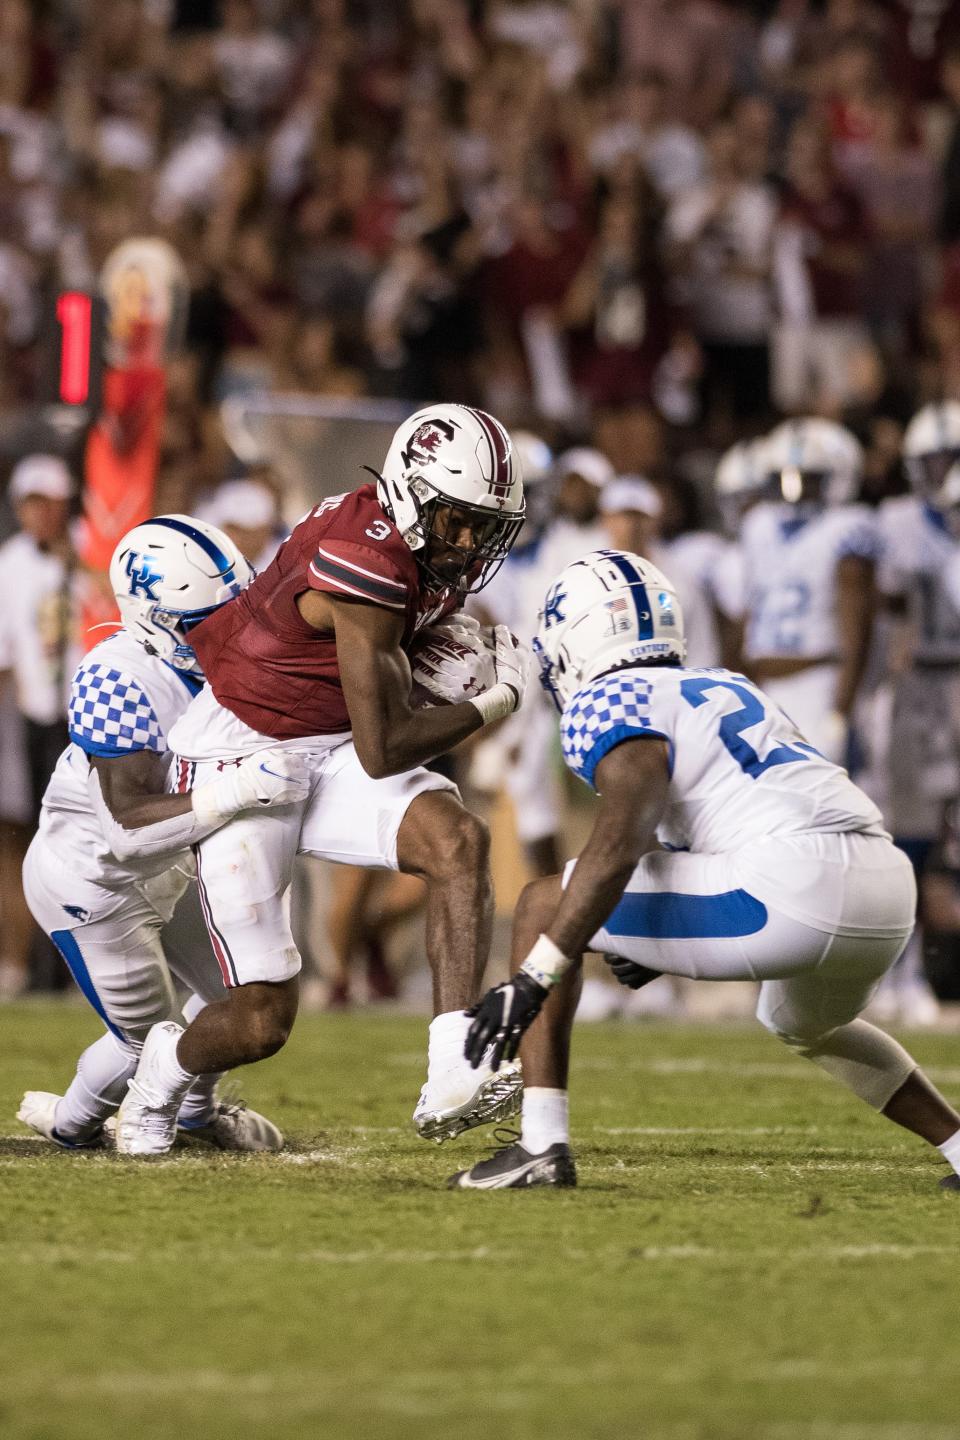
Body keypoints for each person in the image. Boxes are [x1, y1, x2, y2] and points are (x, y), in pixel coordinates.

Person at [451, 549, 960, 1193]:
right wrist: (652, 944)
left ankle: (539, 1145)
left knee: (543, 905)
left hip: (787, 889)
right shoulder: (727, 685)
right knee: (801, 1021)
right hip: (884, 888)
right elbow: (714, 822)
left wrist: (534, 977)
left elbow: (628, 830)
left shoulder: (609, 699)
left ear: (577, 642)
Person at [114, 404, 528, 1156]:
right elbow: (385, 745)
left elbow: (375, 688)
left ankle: (451, 1067)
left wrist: (443, 643)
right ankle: (159, 1078)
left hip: (324, 740)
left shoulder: (416, 540)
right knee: (260, 1022)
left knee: (458, 841)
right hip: (244, 755)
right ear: (410, 494)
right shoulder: (362, 557)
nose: (469, 543)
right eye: (457, 521)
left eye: (485, 525)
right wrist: (489, 701)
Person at [18, 515, 300, 1150]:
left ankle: (197, 1113)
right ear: (153, 618)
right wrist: (240, 788)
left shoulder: (218, 654)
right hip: (96, 886)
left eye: (240, 609)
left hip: (169, 869)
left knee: (240, 999)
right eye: (210, 619)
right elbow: (126, 831)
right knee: (146, 1045)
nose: (234, 630)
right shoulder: (115, 679)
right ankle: (69, 1121)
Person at [737, 417, 878, 763]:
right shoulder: (757, 526)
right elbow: (749, 612)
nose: (792, 489)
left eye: (805, 479)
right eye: (783, 478)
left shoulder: (846, 527)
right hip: (765, 683)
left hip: (819, 682)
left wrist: (841, 709)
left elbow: (857, 629)